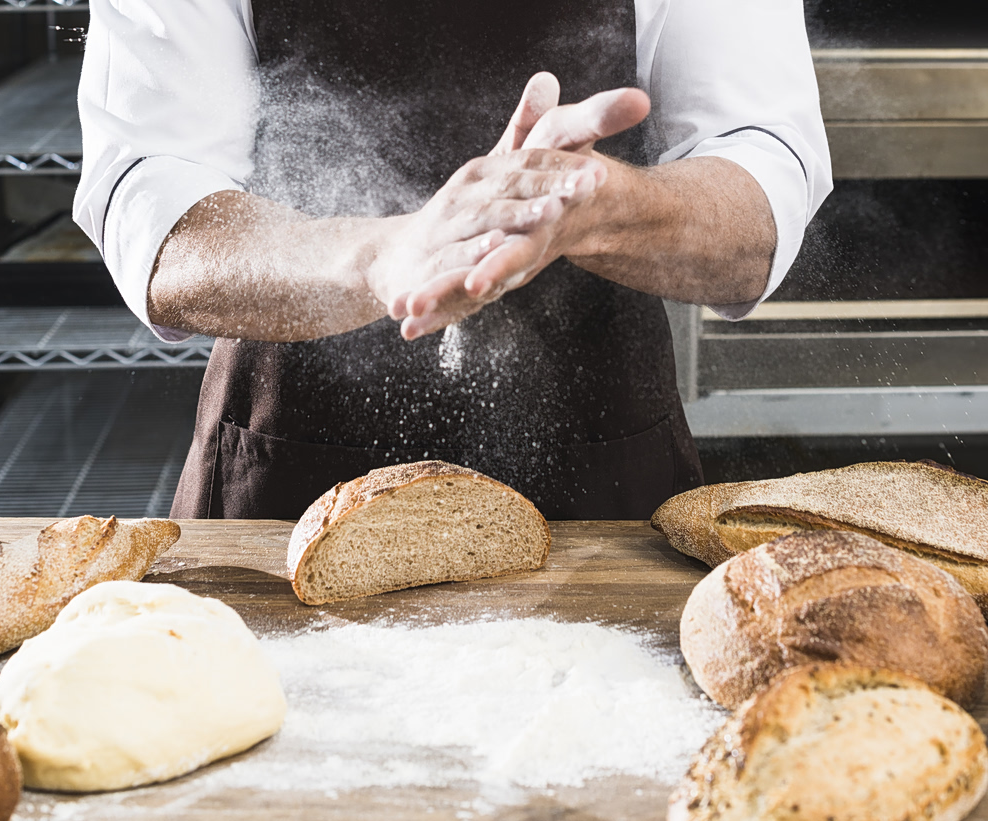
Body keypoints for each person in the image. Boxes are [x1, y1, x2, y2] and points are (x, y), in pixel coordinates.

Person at [74, 0, 832, 520]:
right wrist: (379, 256)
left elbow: (758, 183)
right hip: (283, 495)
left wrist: (599, 205)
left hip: (600, 494)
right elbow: (155, 204)